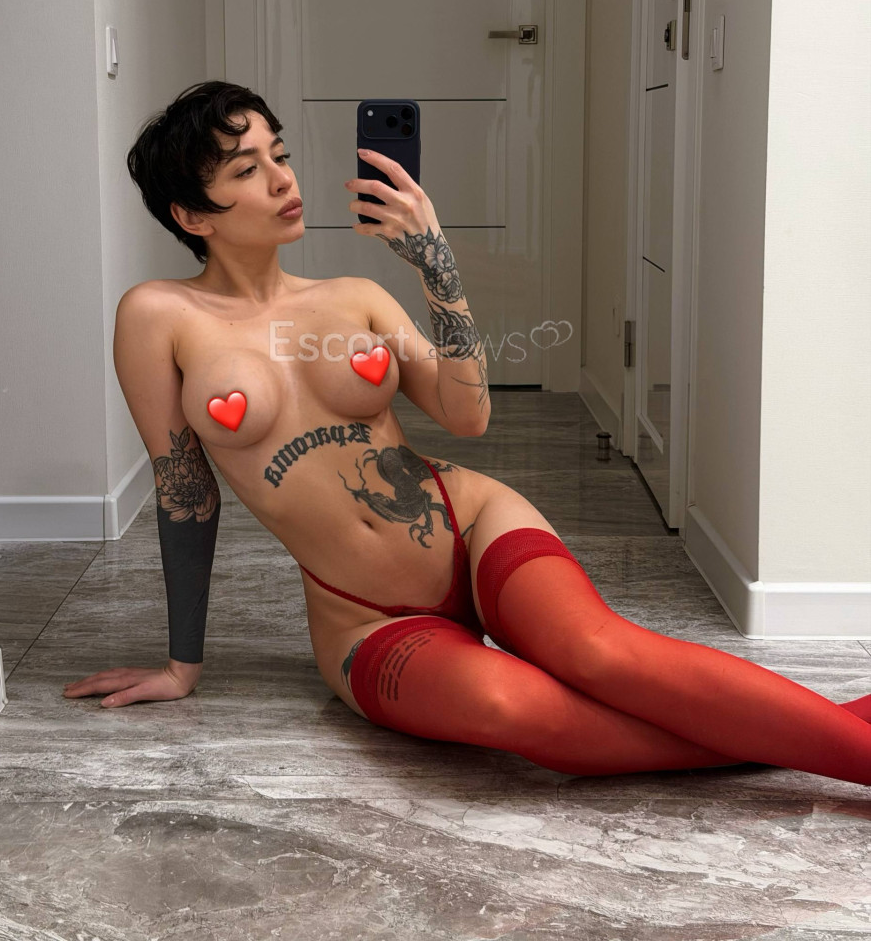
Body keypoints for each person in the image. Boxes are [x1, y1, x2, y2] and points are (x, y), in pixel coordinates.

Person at [63, 80, 871, 785]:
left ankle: (838, 748)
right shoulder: (159, 315)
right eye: (246, 170)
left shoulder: (352, 296)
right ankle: (827, 730)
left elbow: (467, 414)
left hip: (473, 523)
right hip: (362, 616)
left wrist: (435, 264)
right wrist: (183, 664)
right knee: (512, 710)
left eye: (281, 155)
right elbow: (187, 496)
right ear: (190, 213)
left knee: (602, 655)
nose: (283, 180)